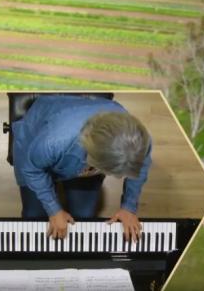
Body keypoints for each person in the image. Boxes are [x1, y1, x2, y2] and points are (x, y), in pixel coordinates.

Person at [11, 94, 152, 243]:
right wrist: (54, 210)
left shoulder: (139, 140)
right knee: (34, 216)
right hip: (36, 146)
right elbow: (31, 169)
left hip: (77, 153)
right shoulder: (55, 140)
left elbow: (140, 167)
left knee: (84, 217)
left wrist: (129, 207)